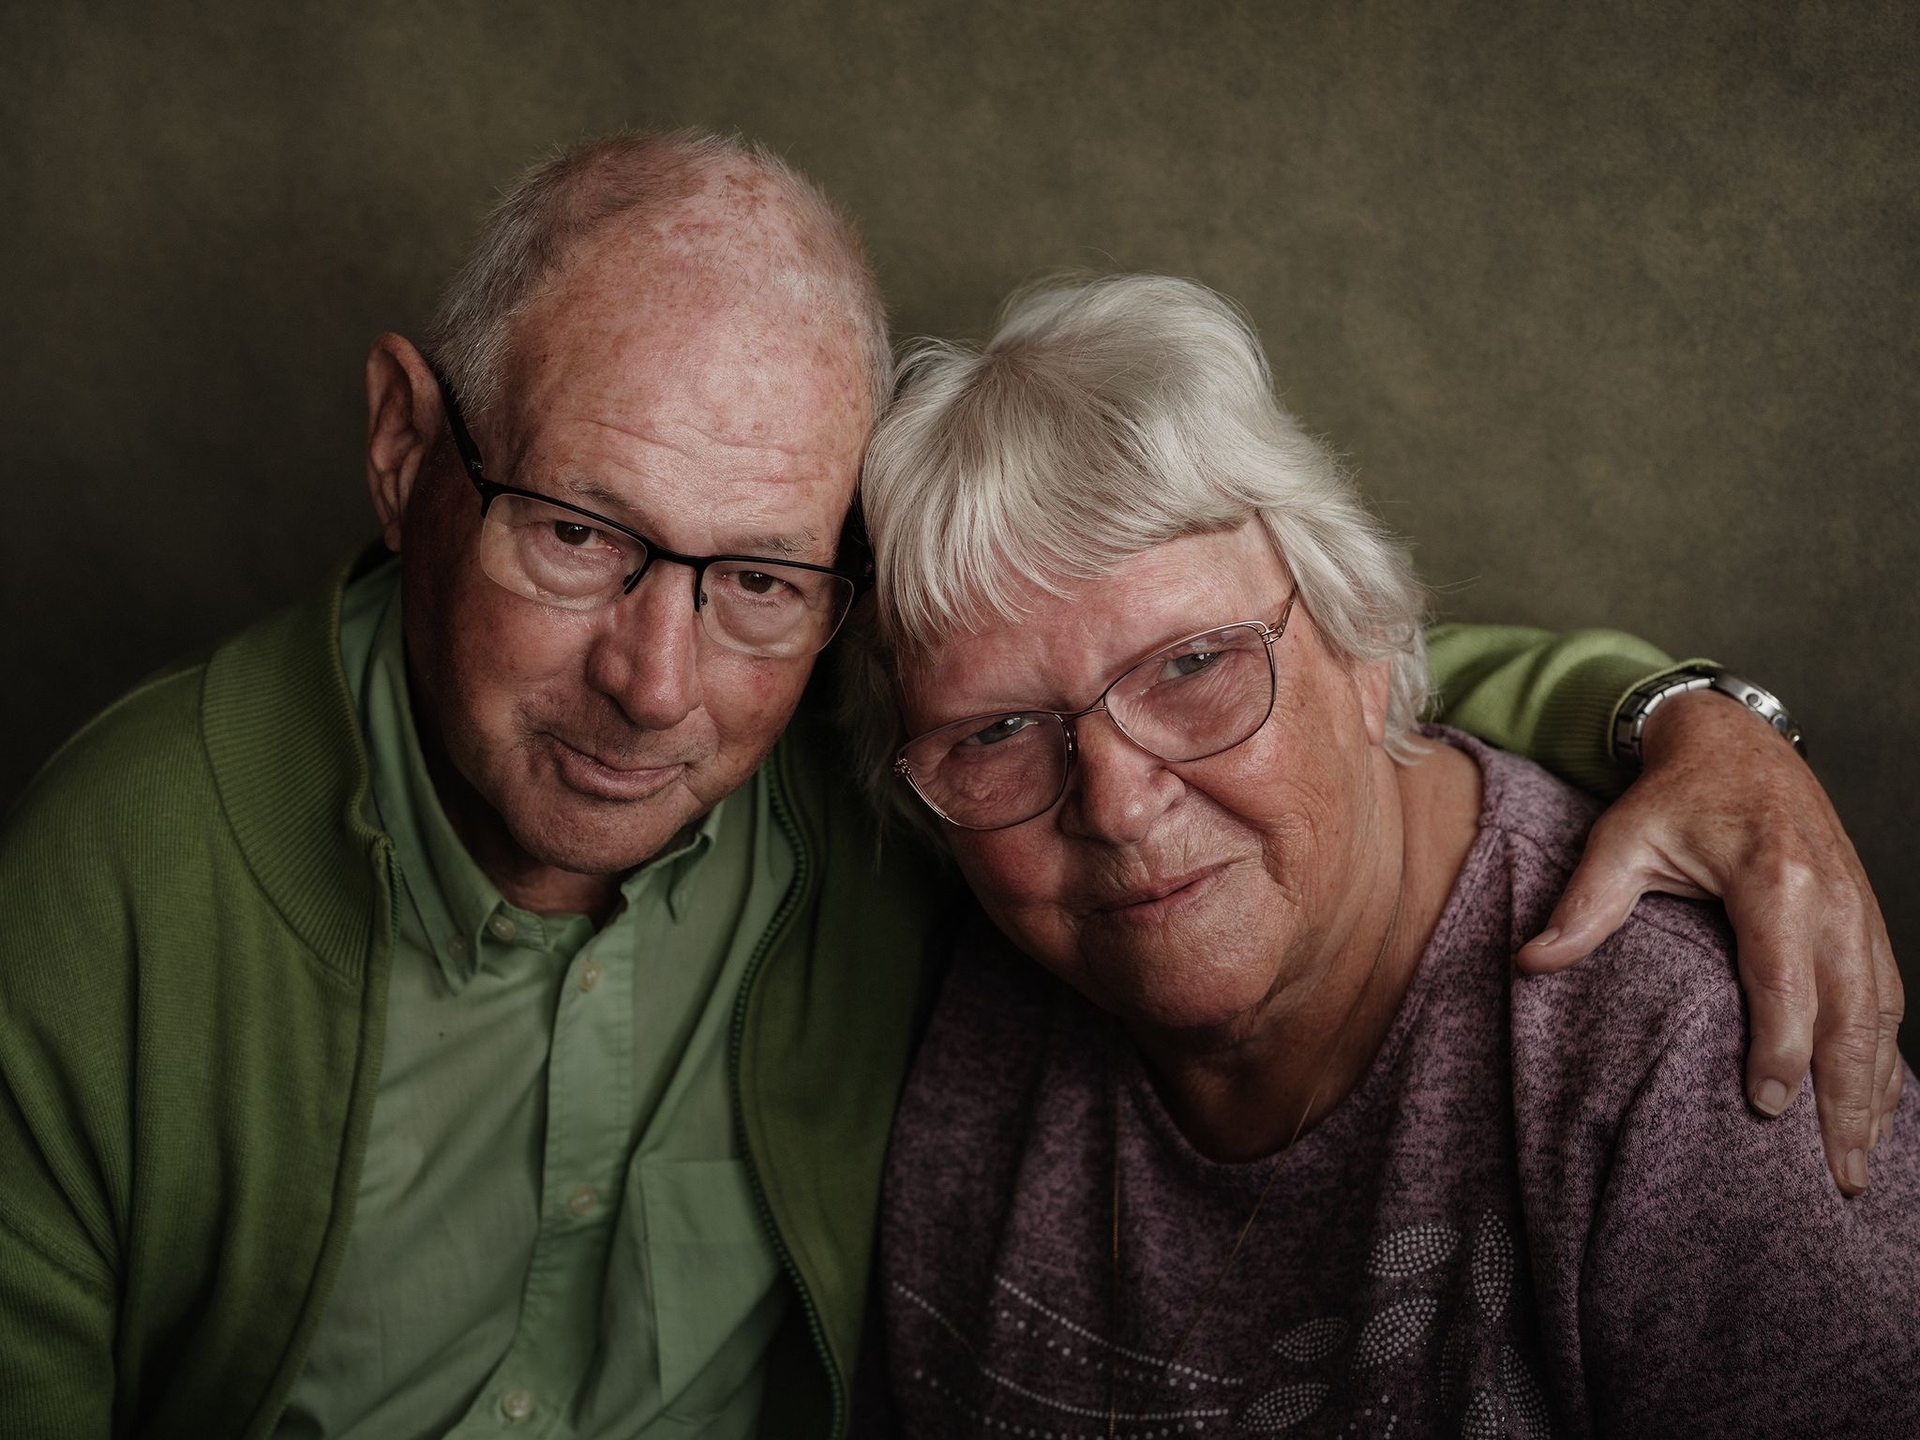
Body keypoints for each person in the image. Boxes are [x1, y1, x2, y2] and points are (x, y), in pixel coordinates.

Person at [0, 133, 1898, 1438]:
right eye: (578, 533)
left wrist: (1688, 719)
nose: (658, 683)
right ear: (409, 457)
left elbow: (1240, 677)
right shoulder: (116, 884)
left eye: (754, 578)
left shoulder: (1676, 1044)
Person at [848, 274, 1920, 1436]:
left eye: (1194, 666)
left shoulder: (1684, 1060)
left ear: (1366, 646)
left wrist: (1708, 717)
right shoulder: (940, 966)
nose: (1115, 805)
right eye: (997, 732)